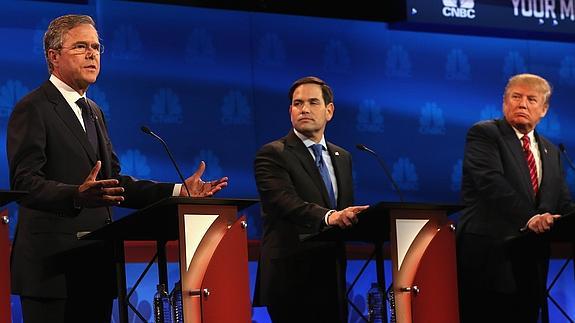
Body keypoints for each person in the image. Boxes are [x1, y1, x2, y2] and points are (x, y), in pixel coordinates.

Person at [6, 14, 227, 323]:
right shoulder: (33, 107)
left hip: (95, 265)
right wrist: (77, 195)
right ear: (54, 56)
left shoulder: (94, 112)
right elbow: (25, 183)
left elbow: (116, 182)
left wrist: (178, 190)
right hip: (52, 271)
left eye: (96, 47)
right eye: (81, 46)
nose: (92, 54)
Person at [456, 73, 575, 322]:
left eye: (531, 99)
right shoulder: (485, 134)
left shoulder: (551, 151)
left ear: (544, 109)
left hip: (531, 263)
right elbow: (491, 184)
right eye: (516, 97)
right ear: (504, 102)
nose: (522, 104)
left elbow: (561, 202)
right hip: (489, 258)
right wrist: (531, 217)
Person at [252, 76, 368, 323]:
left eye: (313, 102)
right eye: (297, 103)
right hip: (290, 276)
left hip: (332, 276)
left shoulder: (342, 156)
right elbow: (285, 202)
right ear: (290, 110)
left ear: (329, 110)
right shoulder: (272, 154)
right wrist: (330, 217)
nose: (304, 109)